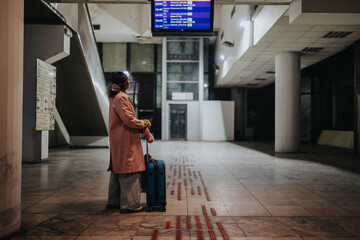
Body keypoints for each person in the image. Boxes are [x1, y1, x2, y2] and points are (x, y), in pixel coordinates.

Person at [106, 72, 154, 213]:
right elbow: (128, 120)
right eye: (128, 81)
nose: (129, 83)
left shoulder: (115, 97)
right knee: (130, 170)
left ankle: (114, 202)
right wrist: (143, 123)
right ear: (124, 83)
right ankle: (130, 205)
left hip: (119, 139)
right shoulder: (121, 98)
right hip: (125, 139)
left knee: (118, 170)